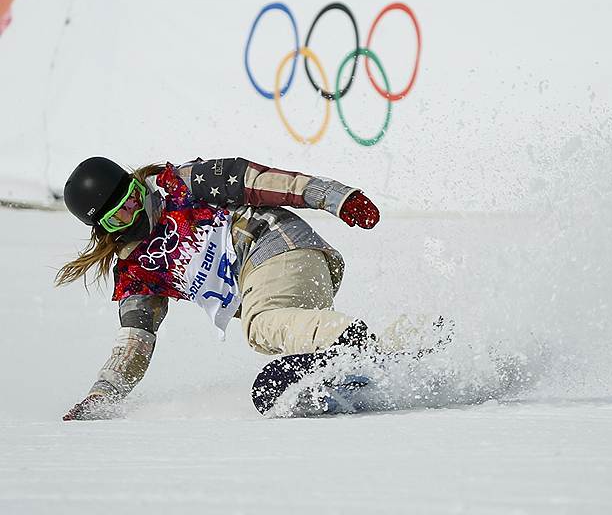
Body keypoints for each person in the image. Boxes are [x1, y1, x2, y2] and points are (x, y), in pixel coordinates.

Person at [56, 156, 380, 420]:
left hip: (273, 242)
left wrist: (334, 197)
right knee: (293, 333)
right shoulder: (137, 272)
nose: (134, 212)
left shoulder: (178, 186)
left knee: (262, 324)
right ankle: (409, 344)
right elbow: (134, 343)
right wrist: (102, 395)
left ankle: (347, 340)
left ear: (135, 183)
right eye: (118, 217)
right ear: (104, 230)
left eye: (132, 198)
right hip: (280, 276)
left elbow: (257, 180)